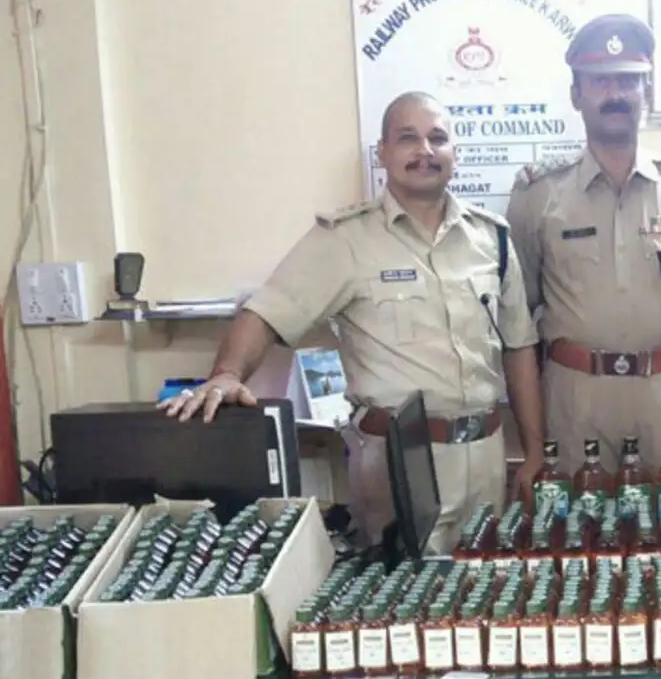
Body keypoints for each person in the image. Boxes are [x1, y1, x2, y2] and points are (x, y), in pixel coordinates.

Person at [161, 91, 544, 553]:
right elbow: (266, 312)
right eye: (408, 138)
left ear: (455, 153)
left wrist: (534, 450)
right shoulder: (344, 240)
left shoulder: (492, 238)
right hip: (397, 462)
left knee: (483, 584)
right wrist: (226, 375)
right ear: (383, 152)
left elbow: (519, 347)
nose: (424, 150)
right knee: (399, 589)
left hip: (485, 455)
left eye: (437, 138)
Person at [505, 13, 661, 474]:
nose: (616, 94)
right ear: (576, 94)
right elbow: (518, 319)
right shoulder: (538, 192)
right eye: (601, 81)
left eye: (629, 81)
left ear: (647, 91)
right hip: (574, 395)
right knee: (579, 517)